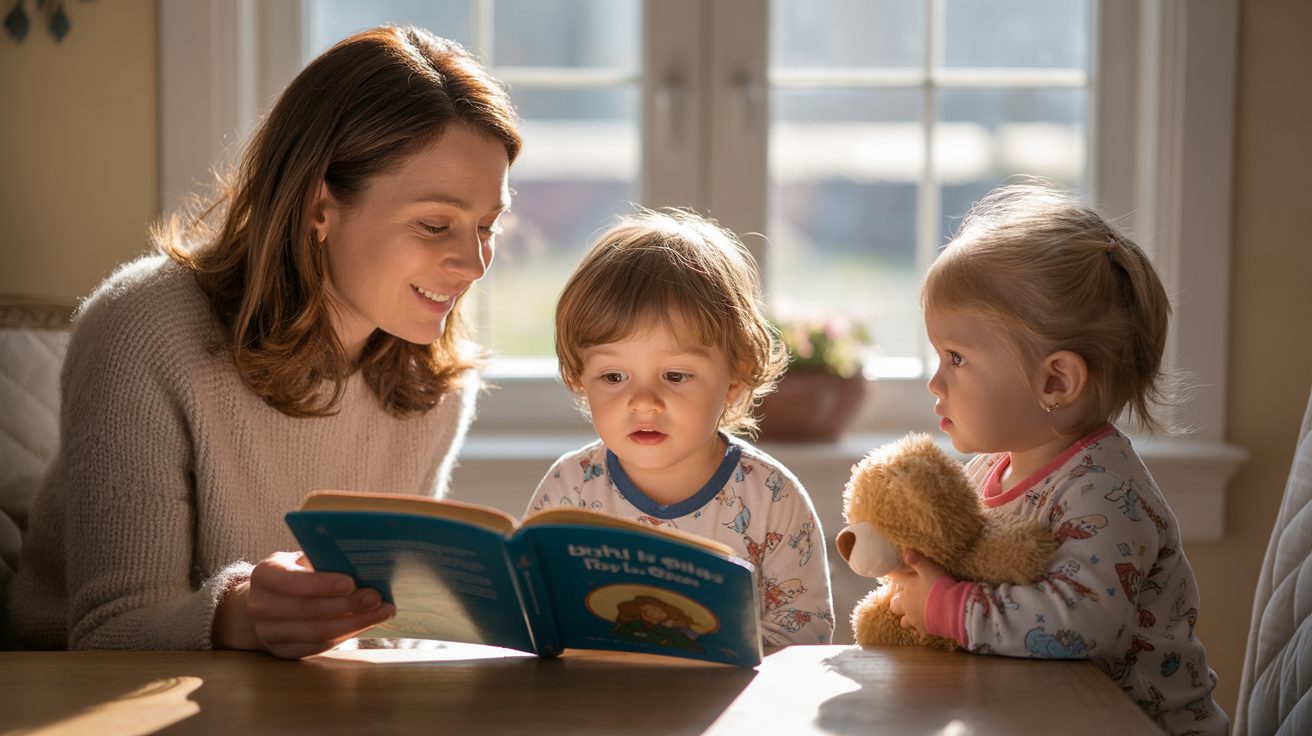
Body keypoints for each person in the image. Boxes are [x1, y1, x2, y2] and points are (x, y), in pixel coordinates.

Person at [4, 26, 521, 659]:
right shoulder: (142, 326)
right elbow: (108, 631)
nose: (472, 265)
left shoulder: (433, 382)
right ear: (318, 207)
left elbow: (376, 633)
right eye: (435, 225)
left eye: (488, 227)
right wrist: (239, 614)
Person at [886, 183, 1227, 735]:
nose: (935, 381)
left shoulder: (1104, 492)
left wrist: (950, 608)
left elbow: (1083, 623)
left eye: (956, 357)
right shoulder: (988, 470)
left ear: (1056, 380)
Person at [526, 210, 835, 647]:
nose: (644, 401)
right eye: (614, 377)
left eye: (675, 376)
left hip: (730, 708)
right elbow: (537, 613)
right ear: (580, 377)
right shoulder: (569, 489)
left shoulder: (771, 496)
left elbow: (805, 629)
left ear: (734, 378)